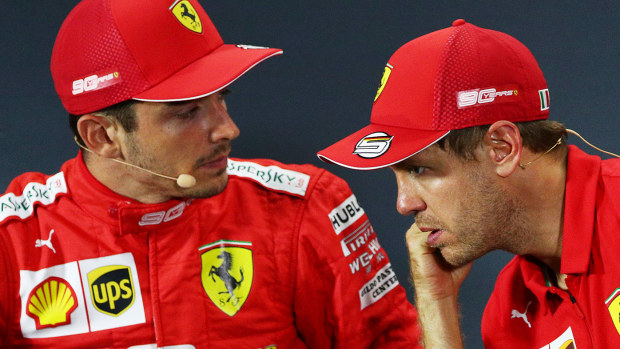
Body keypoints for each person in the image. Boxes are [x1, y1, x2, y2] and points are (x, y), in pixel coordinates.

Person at [0, 0, 421, 347]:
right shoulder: (13, 241)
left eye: (221, 98)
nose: (229, 129)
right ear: (102, 136)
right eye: (187, 111)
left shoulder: (305, 206)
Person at [317, 18, 620, 348]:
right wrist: (437, 303)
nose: (404, 204)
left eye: (419, 170)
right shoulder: (509, 314)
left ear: (502, 148)